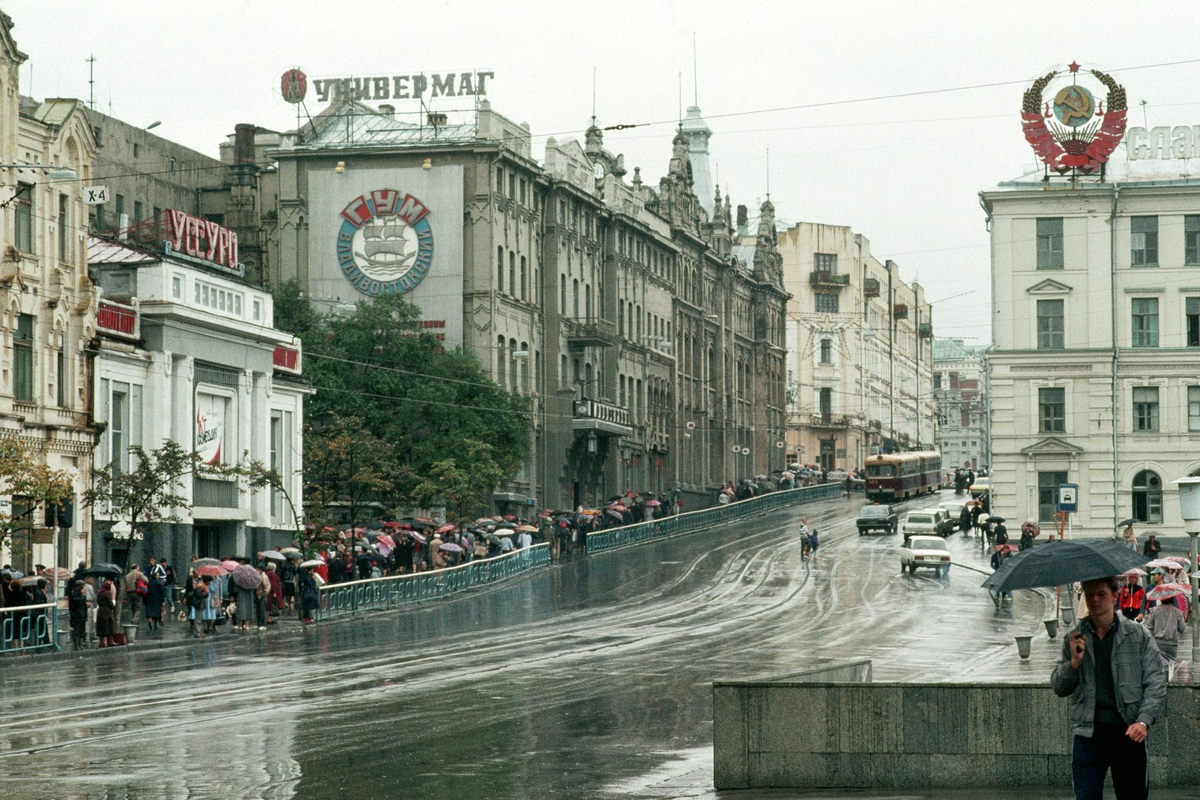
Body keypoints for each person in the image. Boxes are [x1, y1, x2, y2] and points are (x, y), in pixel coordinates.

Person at [1051, 575, 1166, 800]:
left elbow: (1156, 681)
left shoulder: (1138, 634)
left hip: (1128, 731)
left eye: (1101, 594)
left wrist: (1144, 720)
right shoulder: (1075, 638)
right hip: (1088, 734)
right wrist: (1073, 664)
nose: (1094, 599)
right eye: (1089, 594)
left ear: (1115, 596)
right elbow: (1059, 686)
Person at [1143, 599, 1186, 677]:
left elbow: (1149, 628)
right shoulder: (1177, 612)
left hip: (1159, 642)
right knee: (1171, 663)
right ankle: (1170, 679)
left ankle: (1162, 682)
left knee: (1161, 664)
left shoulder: (1154, 610)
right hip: (1173, 643)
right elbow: (1182, 628)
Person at [118, 563, 146, 629]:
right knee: (138, 608)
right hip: (138, 593)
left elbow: (124, 587)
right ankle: (134, 620)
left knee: (133, 608)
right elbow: (146, 580)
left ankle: (136, 622)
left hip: (130, 594)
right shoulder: (139, 574)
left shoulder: (127, 576)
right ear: (136, 568)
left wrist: (125, 596)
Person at [68, 580, 89, 650]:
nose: (83, 587)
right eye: (82, 586)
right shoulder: (73, 592)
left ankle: (81, 644)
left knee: (82, 630)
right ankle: (76, 645)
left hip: (82, 614)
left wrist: (86, 604)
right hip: (77, 614)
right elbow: (77, 601)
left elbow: (83, 602)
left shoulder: (80, 593)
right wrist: (82, 596)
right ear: (79, 586)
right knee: (77, 630)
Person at [96, 577, 117, 648]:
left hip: (100, 611)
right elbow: (110, 603)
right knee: (109, 626)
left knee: (102, 627)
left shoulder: (100, 593)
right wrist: (114, 607)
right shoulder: (107, 593)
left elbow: (98, 601)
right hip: (107, 611)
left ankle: (102, 642)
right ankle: (110, 641)